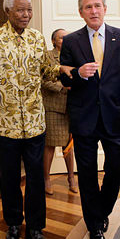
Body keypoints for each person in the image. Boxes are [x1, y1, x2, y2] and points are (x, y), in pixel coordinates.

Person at [0, 0, 72, 239]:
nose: (26, 14)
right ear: (7, 11)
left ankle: (36, 227)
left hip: (35, 122)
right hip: (6, 124)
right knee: (8, 177)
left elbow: (45, 72)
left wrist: (61, 69)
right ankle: (14, 222)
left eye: (29, 10)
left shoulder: (37, 39)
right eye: (20, 10)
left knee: (37, 178)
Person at [60, 0, 120, 239]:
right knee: (86, 174)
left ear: (105, 9)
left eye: (97, 6)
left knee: (116, 169)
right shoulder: (71, 41)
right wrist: (77, 72)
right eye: (88, 7)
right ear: (80, 12)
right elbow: (64, 76)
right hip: (83, 117)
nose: (93, 11)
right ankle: (94, 225)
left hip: (113, 115)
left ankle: (101, 210)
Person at [42, 28, 78, 195]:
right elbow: (42, 81)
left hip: (72, 107)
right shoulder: (47, 56)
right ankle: (46, 179)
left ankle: (71, 178)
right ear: (54, 41)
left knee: (68, 145)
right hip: (53, 107)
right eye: (61, 38)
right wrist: (61, 87)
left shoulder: (74, 55)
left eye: (67, 37)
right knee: (50, 145)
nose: (65, 40)